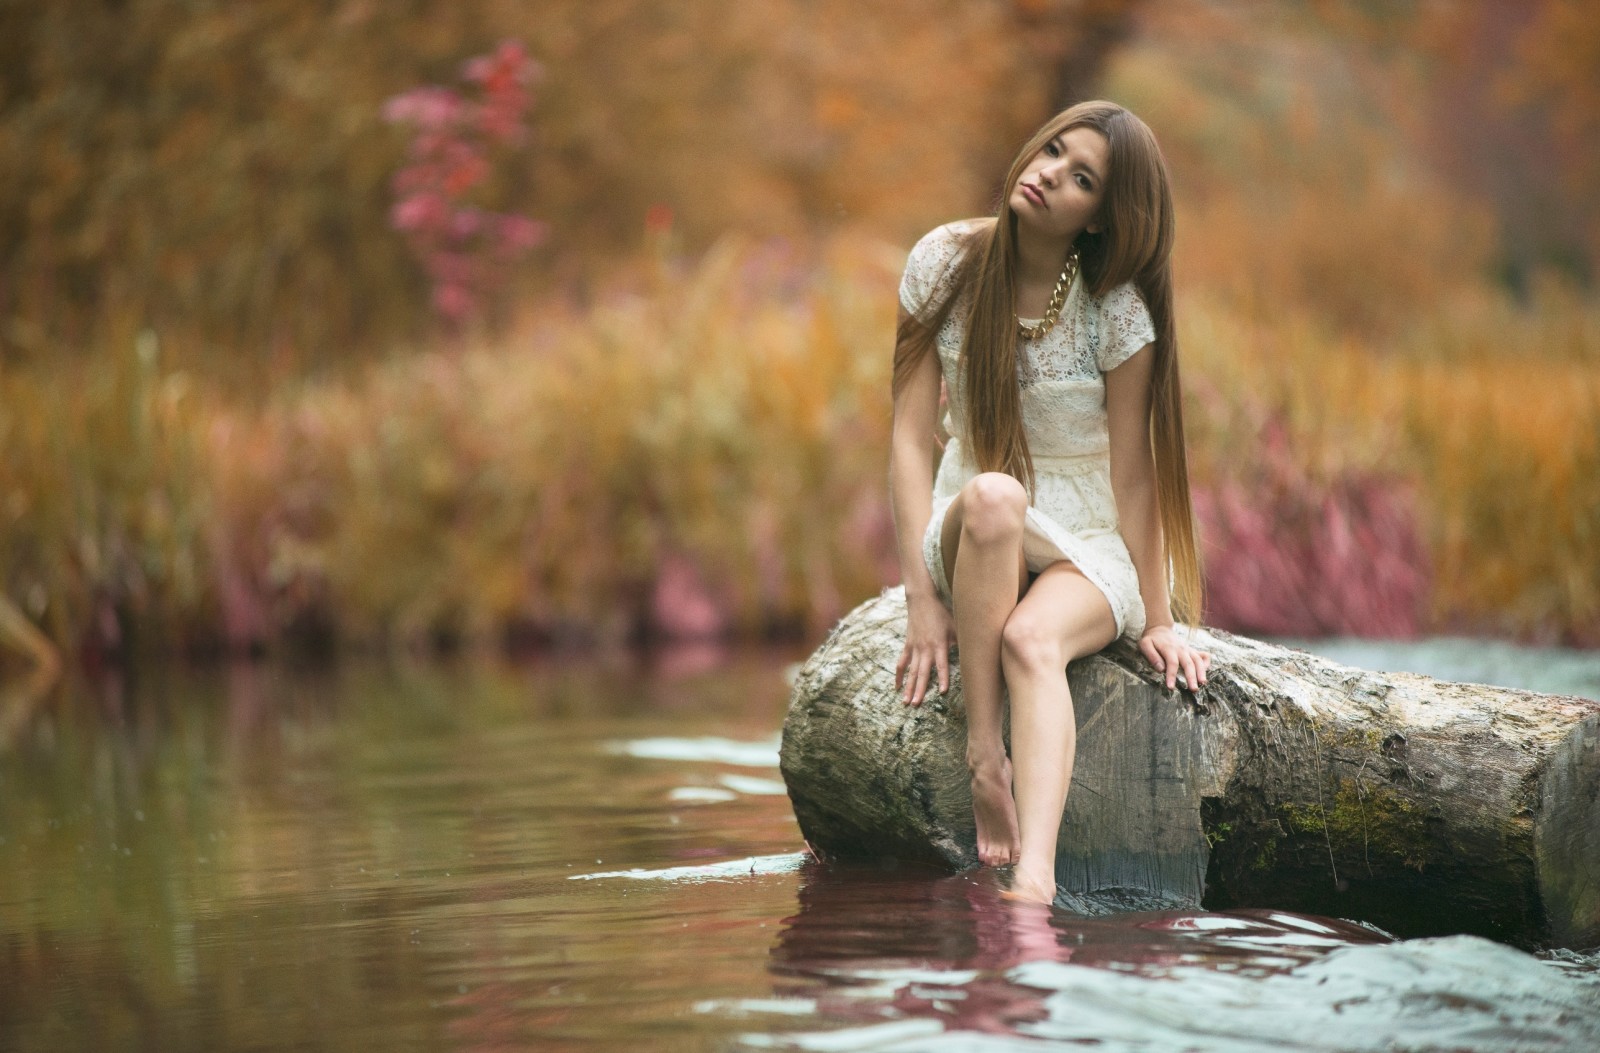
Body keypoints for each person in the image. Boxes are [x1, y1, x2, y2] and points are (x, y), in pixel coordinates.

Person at [889, 100, 1212, 905]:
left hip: (1086, 534)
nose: (1046, 175)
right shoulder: (943, 261)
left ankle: (1033, 886)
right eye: (1052, 151)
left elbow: (1135, 477)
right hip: (975, 520)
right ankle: (982, 757)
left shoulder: (1116, 310)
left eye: (1080, 179)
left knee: (1035, 639)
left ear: (1101, 219)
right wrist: (923, 601)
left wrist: (1161, 616)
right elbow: (903, 437)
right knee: (994, 496)